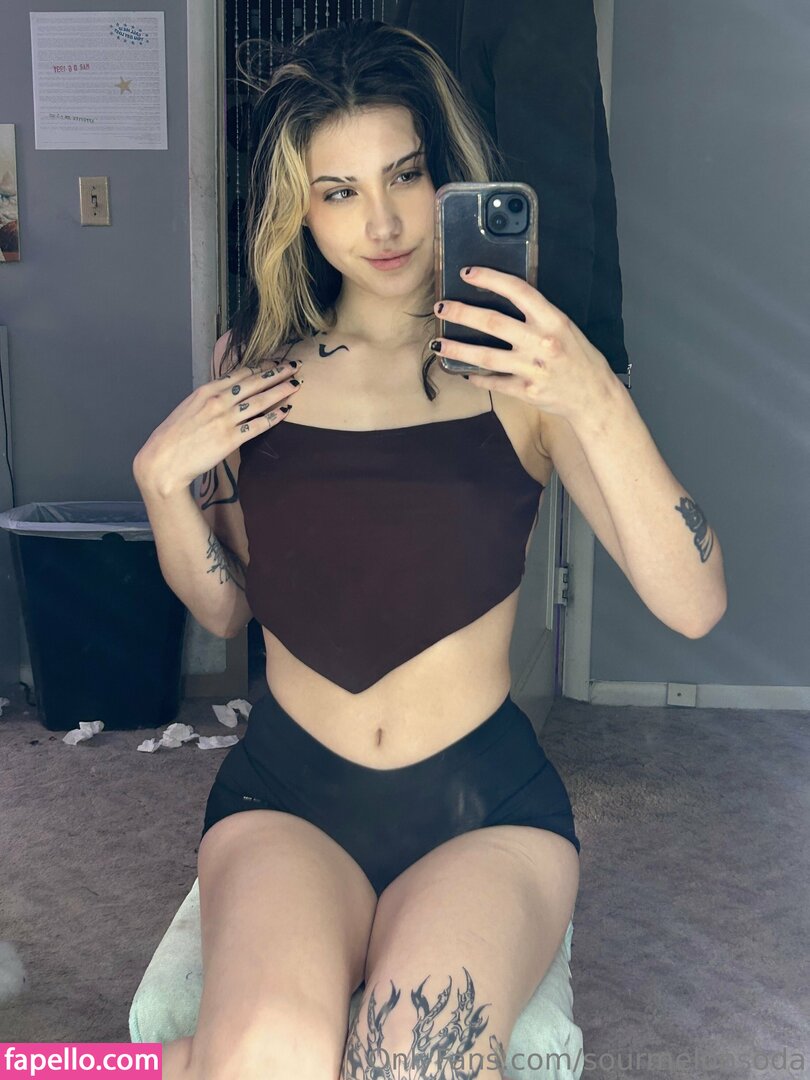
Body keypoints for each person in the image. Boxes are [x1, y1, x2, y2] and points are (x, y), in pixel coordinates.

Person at [133, 19, 727, 1080]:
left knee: (413, 1060)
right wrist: (160, 489)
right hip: (286, 798)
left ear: (447, 176)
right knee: (265, 1056)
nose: (384, 222)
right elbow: (227, 606)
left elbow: (693, 604)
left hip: (481, 811)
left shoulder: (525, 375)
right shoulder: (251, 367)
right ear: (299, 209)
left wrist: (591, 387)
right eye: (340, 191)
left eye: (405, 175)